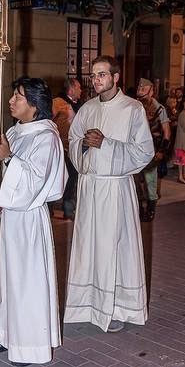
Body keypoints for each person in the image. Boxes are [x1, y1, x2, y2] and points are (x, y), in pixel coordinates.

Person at [0, 77, 67, 366]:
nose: (11, 101)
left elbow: (36, 182)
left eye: (18, 97)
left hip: (28, 221)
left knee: (26, 283)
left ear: (34, 105)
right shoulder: (12, 134)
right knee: (4, 278)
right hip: (6, 221)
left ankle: (30, 346)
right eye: (13, 96)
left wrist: (9, 159)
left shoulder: (47, 137)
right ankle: (3, 333)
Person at [64, 56, 154, 334]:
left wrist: (107, 144)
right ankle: (88, 304)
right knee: (89, 246)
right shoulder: (87, 108)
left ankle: (116, 307)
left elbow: (144, 152)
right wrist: (85, 146)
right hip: (90, 188)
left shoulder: (132, 108)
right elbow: (73, 141)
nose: (96, 80)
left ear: (116, 77)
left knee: (114, 247)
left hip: (116, 190)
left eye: (102, 74)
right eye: (93, 75)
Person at [136, 78, 171, 221]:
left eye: (144, 90)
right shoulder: (134, 105)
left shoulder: (159, 109)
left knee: (151, 181)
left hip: (152, 151)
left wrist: (162, 150)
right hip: (135, 150)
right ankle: (138, 208)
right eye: (140, 89)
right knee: (134, 181)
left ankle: (150, 210)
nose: (141, 92)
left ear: (151, 92)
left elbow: (167, 132)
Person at [52, 78, 82, 219]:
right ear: (71, 89)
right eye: (79, 87)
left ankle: (68, 209)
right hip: (59, 148)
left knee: (71, 178)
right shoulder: (58, 103)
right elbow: (48, 121)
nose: (81, 90)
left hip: (72, 148)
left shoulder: (79, 104)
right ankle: (51, 206)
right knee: (56, 177)